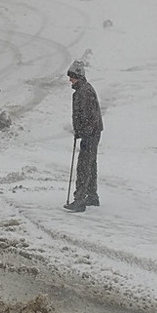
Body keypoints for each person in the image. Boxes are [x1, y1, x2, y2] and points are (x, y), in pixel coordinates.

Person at [65, 60, 103, 212]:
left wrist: (83, 133)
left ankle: (79, 200)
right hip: (92, 132)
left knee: (83, 165)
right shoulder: (83, 90)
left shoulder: (84, 92)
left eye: (72, 77)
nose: (70, 80)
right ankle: (92, 196)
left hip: (90, 133)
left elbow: (88, 116)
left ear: (78, 77)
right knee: (90, 163)